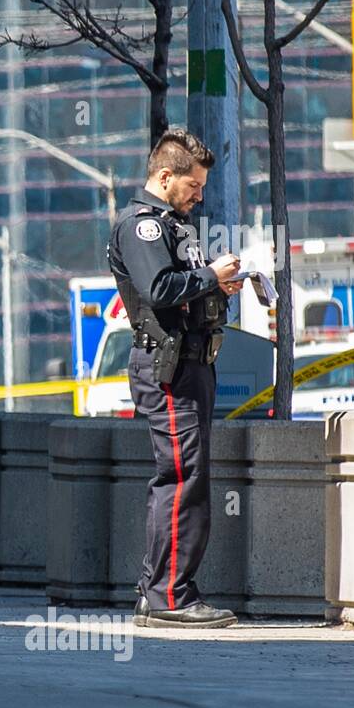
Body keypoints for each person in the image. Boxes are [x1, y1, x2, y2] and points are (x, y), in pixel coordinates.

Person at [107, 128, 242, 629]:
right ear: (165, 177)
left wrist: (215, 280)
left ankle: (164, 591)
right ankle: (168, 597)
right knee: (181, 479)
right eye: (193, 186)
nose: (199, 196)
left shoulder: (170, 224)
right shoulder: (141, 226)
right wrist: (210, 275)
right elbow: (160, 288)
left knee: (192, 479)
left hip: (192, 364)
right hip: (167, 368)